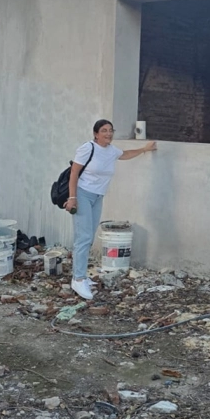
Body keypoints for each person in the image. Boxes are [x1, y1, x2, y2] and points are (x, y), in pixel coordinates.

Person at [64, 119, 156, 300]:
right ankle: (78, 279)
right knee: (83, 237)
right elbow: (74, 172)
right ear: (96, 134)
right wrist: (72, 197)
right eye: (104, 130)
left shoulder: (112, 151)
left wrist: (145, 149)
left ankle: (80, 274)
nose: (108, 134)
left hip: (98, 197)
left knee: (88, 235)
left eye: (110, 130)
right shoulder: (87, 148)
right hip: (83, 194)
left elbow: (126, 154)